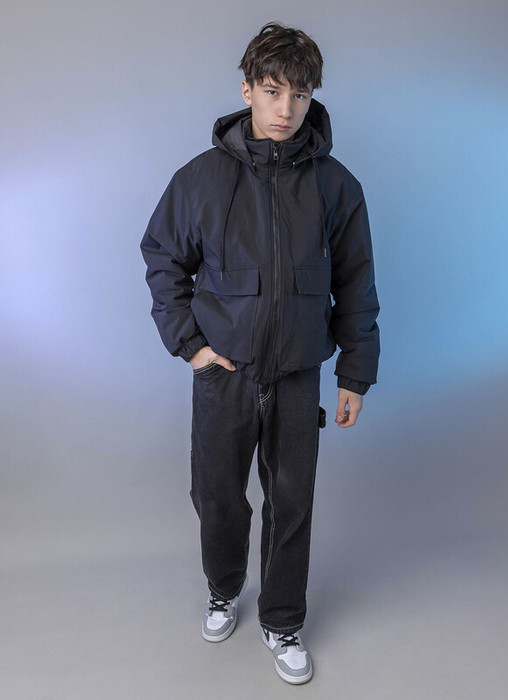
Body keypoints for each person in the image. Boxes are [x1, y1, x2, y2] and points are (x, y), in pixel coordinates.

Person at [140, 21, 380, 685]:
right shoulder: (200, 179)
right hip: (225, 373)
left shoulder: (336, 186)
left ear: (312, 98)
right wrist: (190, 346)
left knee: (291, 503)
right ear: (246, 90)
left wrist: (355, 372)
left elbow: (356, 282)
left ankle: (282, 618)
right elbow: (163, 259)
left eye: (299, 95)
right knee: (217, 496)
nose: (285, 108)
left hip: (298, 373)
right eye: (273, 91)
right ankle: (223, 589)